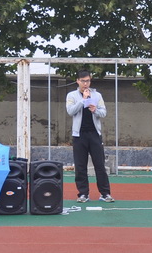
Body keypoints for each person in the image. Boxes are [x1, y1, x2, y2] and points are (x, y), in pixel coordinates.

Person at [66, 70, 114, 203]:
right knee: (80, 166)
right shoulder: (72, 95)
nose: (85, 84)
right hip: (79, 135)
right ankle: (83, 194)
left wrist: (95, 110)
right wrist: (83, 100)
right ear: (78, 81)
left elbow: (103, 113)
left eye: (87, 81)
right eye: (83, 81)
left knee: (100, 165)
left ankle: (105, 193)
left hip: (94, 134)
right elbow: (70, 111)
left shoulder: (97, 95)